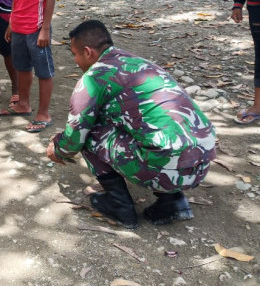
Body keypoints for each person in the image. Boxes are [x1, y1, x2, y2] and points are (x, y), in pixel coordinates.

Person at [46, 20, 216, 229]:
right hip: (202, 161)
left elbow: (74, 139)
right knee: (152, 129)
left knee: (90, 133)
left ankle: (120, 207)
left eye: (75, 54)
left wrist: (57, 147)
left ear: (88, 52)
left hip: (166, 165)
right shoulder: (140, 63)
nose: (75, 60)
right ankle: (173, 201)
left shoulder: (93, 78)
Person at [0, 0, 59, 133]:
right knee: (22, 67)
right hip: (18, 27)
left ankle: (44, 113)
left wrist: (45, 28)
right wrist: (11, 22)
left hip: (36, 29)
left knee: (44, 71)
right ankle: (23, 104)